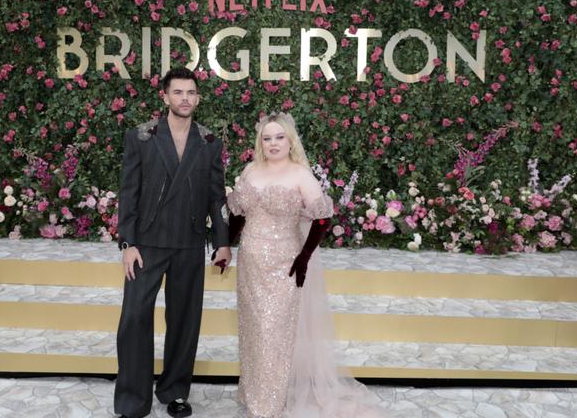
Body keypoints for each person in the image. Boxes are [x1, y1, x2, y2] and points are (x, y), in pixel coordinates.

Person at [226, 112, 385, 417]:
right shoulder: (250, 171)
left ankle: (269, 404)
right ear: (261, 142)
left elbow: (322, 217)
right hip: (250, 263)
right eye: (267, 138)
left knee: (273, 331)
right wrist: (224, 247)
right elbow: (239, 215)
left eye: (279, 137)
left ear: (290, 140)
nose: (273, 143)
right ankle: (253, 393)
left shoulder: (300, 174)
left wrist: (304, 257)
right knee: (253, 329)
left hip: (285, 263)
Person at [114, 67, 232, 418]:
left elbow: (216, 197)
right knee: (134, 318)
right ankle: (133, 402)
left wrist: (222, 242)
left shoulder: (209, 141)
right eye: (178, 92)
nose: (185, 98)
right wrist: (128, 243)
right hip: (146, 244)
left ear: (198, 97)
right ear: (164, 96)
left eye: (191, 92)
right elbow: (128, 192)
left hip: (190, 242)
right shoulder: (142, 136)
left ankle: (174, 392)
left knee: (185, 320)